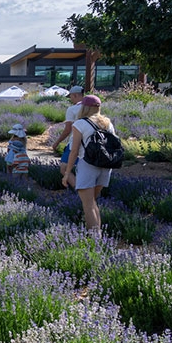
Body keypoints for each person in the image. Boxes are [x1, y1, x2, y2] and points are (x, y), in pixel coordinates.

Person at [62, 95, 116, 232]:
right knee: (92, 202)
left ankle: (95, 239)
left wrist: (67, 173)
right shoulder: (108, 123)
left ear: (84, 107)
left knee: (88, 205)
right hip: (105, 166)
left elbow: (74, 151)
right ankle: (98, 235)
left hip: (87, 165)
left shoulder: (80, 124)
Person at [51, 85, 85, 189]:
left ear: (75, 95)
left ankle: (79, 190)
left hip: (75, 142)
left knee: (64, 168)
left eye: (71, 96)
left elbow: (67, 129)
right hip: (89, 143)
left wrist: (57, 142)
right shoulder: (91, 108)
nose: (70, 99)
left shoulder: (72, 109)